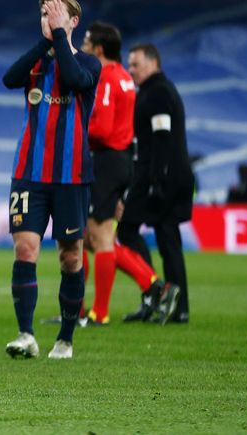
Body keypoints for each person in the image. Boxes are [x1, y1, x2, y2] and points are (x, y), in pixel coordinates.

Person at [1, 0, 100, 361]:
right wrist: (46, 42)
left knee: (70, 257)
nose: (49, 19)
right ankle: (26, 334)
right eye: (44, 14)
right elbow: (9, 78)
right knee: (25, 248)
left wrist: (58, 38)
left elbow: (74, 80)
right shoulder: (36, 63)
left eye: (56, 14)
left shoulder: (89, 62)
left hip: (71, 176)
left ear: (74, 22)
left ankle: (65, 338)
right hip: (29, 173)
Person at [78, 22, 169, 326]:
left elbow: (102, 129)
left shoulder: (105, 77)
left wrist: (76, 133)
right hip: (120, 161)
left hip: (106, 160)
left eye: (88, 41)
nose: (84, 44)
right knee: (91, 238)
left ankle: (99, 313)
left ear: (99, 49)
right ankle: (150, 281)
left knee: (99, 237)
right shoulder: (124, 78)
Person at [120, 43, 192, 324]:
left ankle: (164, 297)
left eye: (135, 64)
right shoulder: (154, 91)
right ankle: (165, 298)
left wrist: (155, 181)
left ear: (153, 63)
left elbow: (162, 138)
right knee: (164, 238)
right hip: (161, 175)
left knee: (144, 234)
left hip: (163, 178)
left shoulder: (158, 92)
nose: (131, 69)